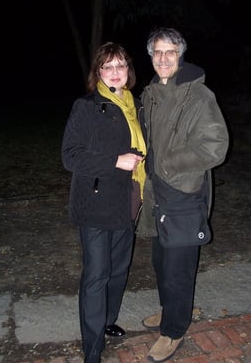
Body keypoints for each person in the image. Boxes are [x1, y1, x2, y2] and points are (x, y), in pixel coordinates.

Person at [138, 27, 229, 362]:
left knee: (178, 266)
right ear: (151, 56)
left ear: (180, 56)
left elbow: (215, 147)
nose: (163, 58)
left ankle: (174, 330)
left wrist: (169, 163)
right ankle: (169, 311)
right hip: (159, 190)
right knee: (162, 261)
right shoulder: (151, 92)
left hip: (184, 192)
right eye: (157, 52)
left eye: (170, 52)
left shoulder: (198, 97)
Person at [62, 42, 146, 363]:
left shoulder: (135, 106)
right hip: (95, 203)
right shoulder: (85, 106)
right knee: (97, 274)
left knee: (119, 268)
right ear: (98, 72)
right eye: (108, 66)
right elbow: (70, 155)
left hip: (128, 200)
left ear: (128, 71)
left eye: (120, 65)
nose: (115, 72)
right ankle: (93, 349)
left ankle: (108, 320)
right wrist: (115, 160)